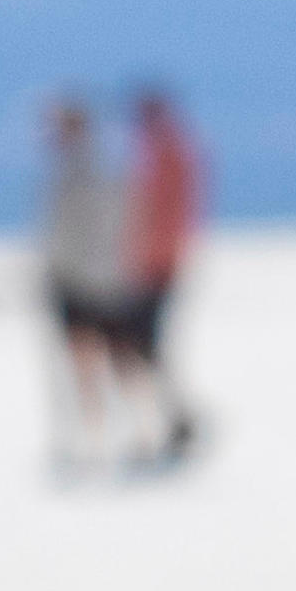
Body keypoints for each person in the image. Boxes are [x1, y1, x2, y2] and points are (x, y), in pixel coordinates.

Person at [37, 90, 134, 468]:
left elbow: (101, 226)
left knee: (107, 359)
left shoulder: (92, 168)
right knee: (99, 361)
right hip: (87, 276)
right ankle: (98, 437)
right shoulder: (85, 165)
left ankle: (108, 436)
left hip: (92, 278)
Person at [116, 81, 208, 464]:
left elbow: (162, 215)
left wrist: (140, 257)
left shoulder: (168, 153)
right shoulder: (164, 151)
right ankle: (167, 421)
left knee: (142, 346)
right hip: (155, 263)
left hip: (156, 266)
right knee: (142, 347)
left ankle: (168, 421)